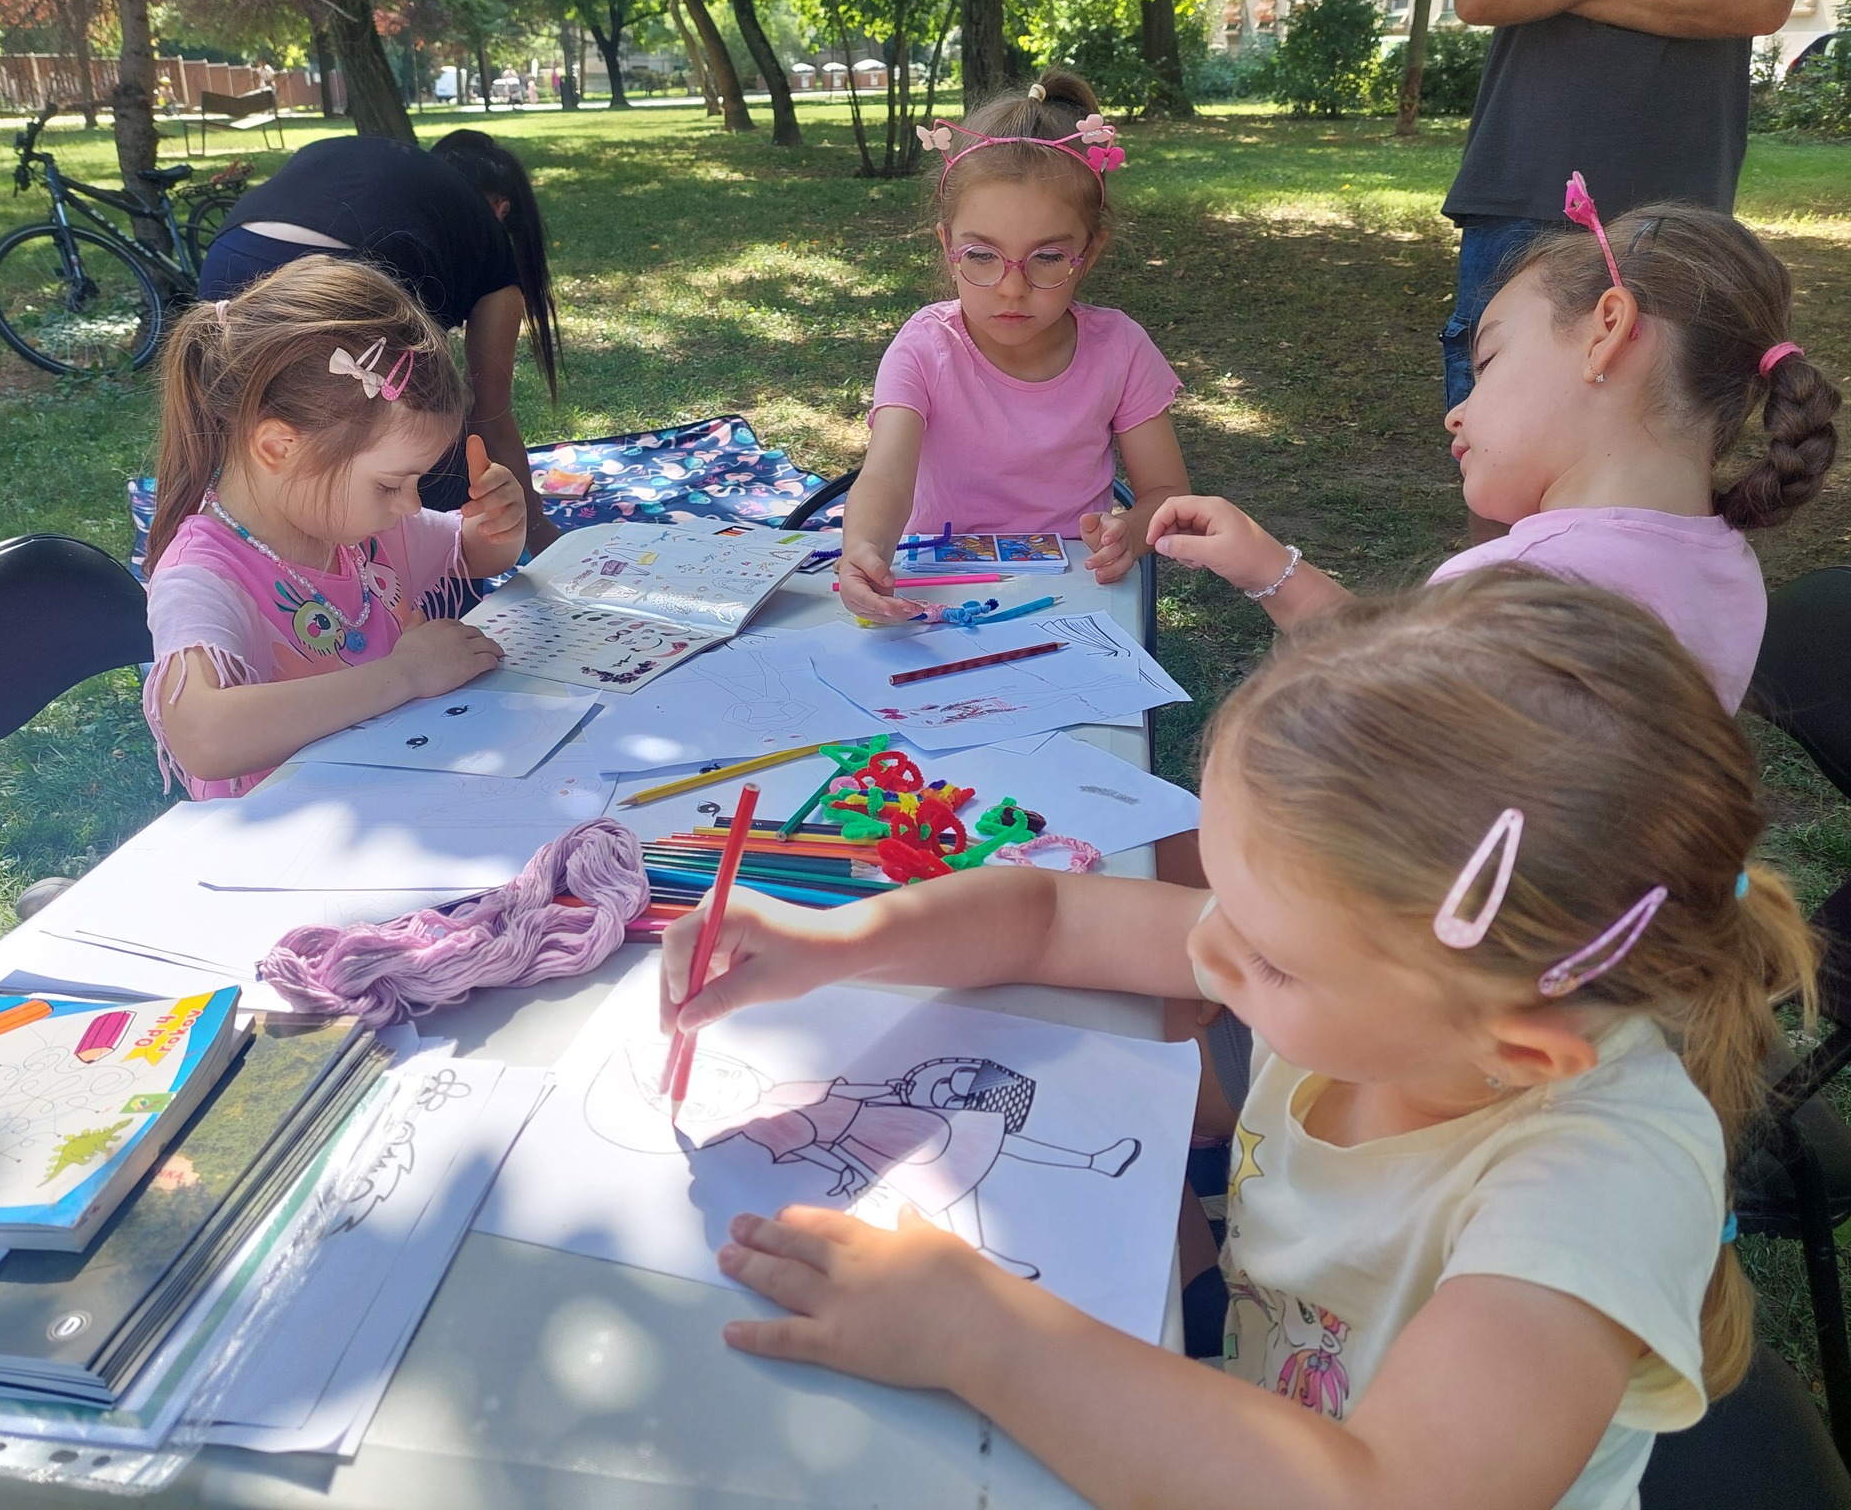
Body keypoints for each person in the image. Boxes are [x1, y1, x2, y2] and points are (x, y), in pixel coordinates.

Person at [655, 567, 1817, 1510]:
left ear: (1519, 1051)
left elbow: (1389, 1495)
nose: (1206, 951)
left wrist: (980, 1334)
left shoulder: (1598, 1188)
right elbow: (1055, 915)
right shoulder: (1394, 982)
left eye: (1269, 957)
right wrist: (835, 942)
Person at [1147, 192, 1841, 714]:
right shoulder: (1723, 565)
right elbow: (1401, 663)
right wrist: (1270, 568)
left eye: (1487, 363)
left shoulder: (1518, 588)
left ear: (1606, 332)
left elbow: (1371, 737)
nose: (1457, 410)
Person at [140, 259, 527, 801]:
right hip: (286, 841)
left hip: (396, 799)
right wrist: (405, 675)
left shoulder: (360, 529)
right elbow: (204, 737)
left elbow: (473, 554)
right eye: (390, 484)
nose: (410, 504)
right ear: (279, 448)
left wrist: (498, 524)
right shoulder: (203, 576)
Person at [1440, 0, 1806, 537]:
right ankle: (1502, 591)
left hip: (1676, 213)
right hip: (1525, 180)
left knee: (1655, 451)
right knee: (1499, 471)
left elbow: (1759, 1)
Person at [835, 69, 1191, 624]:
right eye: (981, 256)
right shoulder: (925, 347)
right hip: (937, 591)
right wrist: (864, 546)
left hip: (1075, 594)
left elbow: (1166, 491)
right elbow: (885, 477)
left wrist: (1132, 531)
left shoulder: (1120, 348)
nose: (1012, 288)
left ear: (1089, 255)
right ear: (947, 246)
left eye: (1047, 257)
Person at [198, 130, 562, 550]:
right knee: (414, 447)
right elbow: (490, 414)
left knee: (259, 432)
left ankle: (240, 551)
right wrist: (536, 530)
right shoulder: (492, 247)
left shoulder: (401, 175)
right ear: (502, 210)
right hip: (353, 269)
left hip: (233, 252)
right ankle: (397, 581)